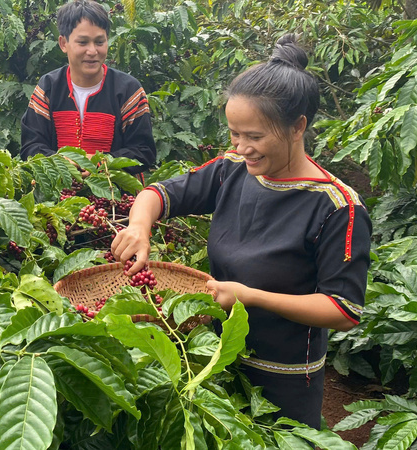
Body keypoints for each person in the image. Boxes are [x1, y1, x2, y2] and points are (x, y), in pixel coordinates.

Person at [110, 34, 371, 429]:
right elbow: (159, 193)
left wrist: (248, 297)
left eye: (254, 136)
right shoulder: (232, 168)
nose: (241, 146)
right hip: (214, 360)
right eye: (235, 133)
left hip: (283, 378)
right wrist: (139, 227)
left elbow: (342, 309)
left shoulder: (337, 206)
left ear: (298, 127)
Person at [20, 0, 157, 176]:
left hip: (117, 197)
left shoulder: (129, 90)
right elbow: (31, 147)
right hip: (58, 196)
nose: (92, 51)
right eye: (83, 42)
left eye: (99, 42)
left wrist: (101, 164)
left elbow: (144, 151)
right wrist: (62, 163)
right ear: (63, 43)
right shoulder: (48, 88)